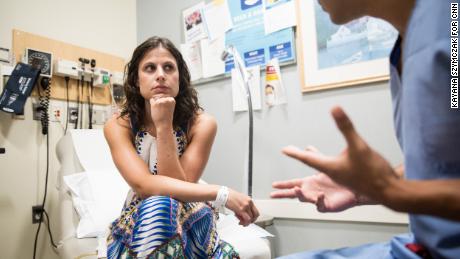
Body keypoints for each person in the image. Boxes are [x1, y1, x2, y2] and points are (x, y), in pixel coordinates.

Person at [271, 0, 460, 258]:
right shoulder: (408, 44)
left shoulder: (450, 26)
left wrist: (393, 191)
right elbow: (443, 166)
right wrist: (360, 189)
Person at [104, 36, 259, 258]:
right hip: (140, 219)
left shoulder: (202, 124)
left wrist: (164, 125)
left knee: (165, 204)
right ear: (137, 80)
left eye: (169, 67)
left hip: (190, 218)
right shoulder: (118, 125)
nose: (160, 74)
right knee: (158, 206)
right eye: (150, 68)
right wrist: (222, 194)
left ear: (180, 78)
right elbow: (144, 186)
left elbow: (180, 192)